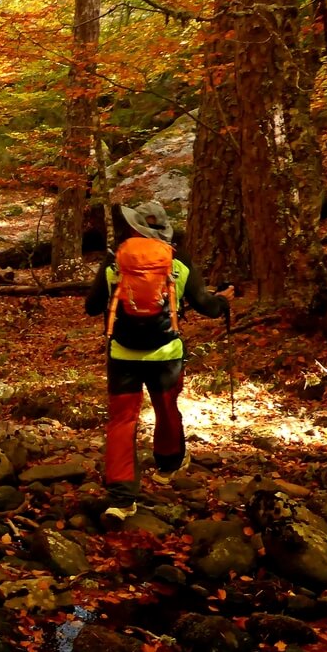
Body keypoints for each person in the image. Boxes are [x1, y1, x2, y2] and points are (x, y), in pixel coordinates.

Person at [84, 201, 234, 521]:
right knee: (166, 410)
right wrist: (224, 302)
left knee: (123, 423)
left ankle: (122, 499)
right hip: (166, 355)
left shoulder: (114, 263)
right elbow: (206, 305)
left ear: (135, 228)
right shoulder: (178, 263)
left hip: (122, 356)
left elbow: (92, 307)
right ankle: (168, 466)